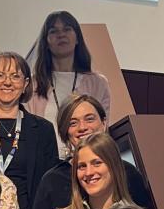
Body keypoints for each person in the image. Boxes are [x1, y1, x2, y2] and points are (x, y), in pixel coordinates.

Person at [26, 94, 151, 209]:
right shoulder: (52, 181)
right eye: (73, 123)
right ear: (65, 131)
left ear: (103, 123)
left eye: (89, 119)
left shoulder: (128, 173)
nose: (82, 127)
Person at [0, 51, 59, 209]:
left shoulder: (43, 129)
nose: (7, 82)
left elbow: (50, 184)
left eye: (15, 76)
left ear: (25, 84)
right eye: (0, 75)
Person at [25, 11, 111, 157]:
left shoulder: (98, 83)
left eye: (67, 29)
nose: (61, 35)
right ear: (46, 42)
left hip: (87, 159)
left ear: (77, 38)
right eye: (54, 31)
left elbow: (103, 130)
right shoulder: (33, 84)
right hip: (45, 162)